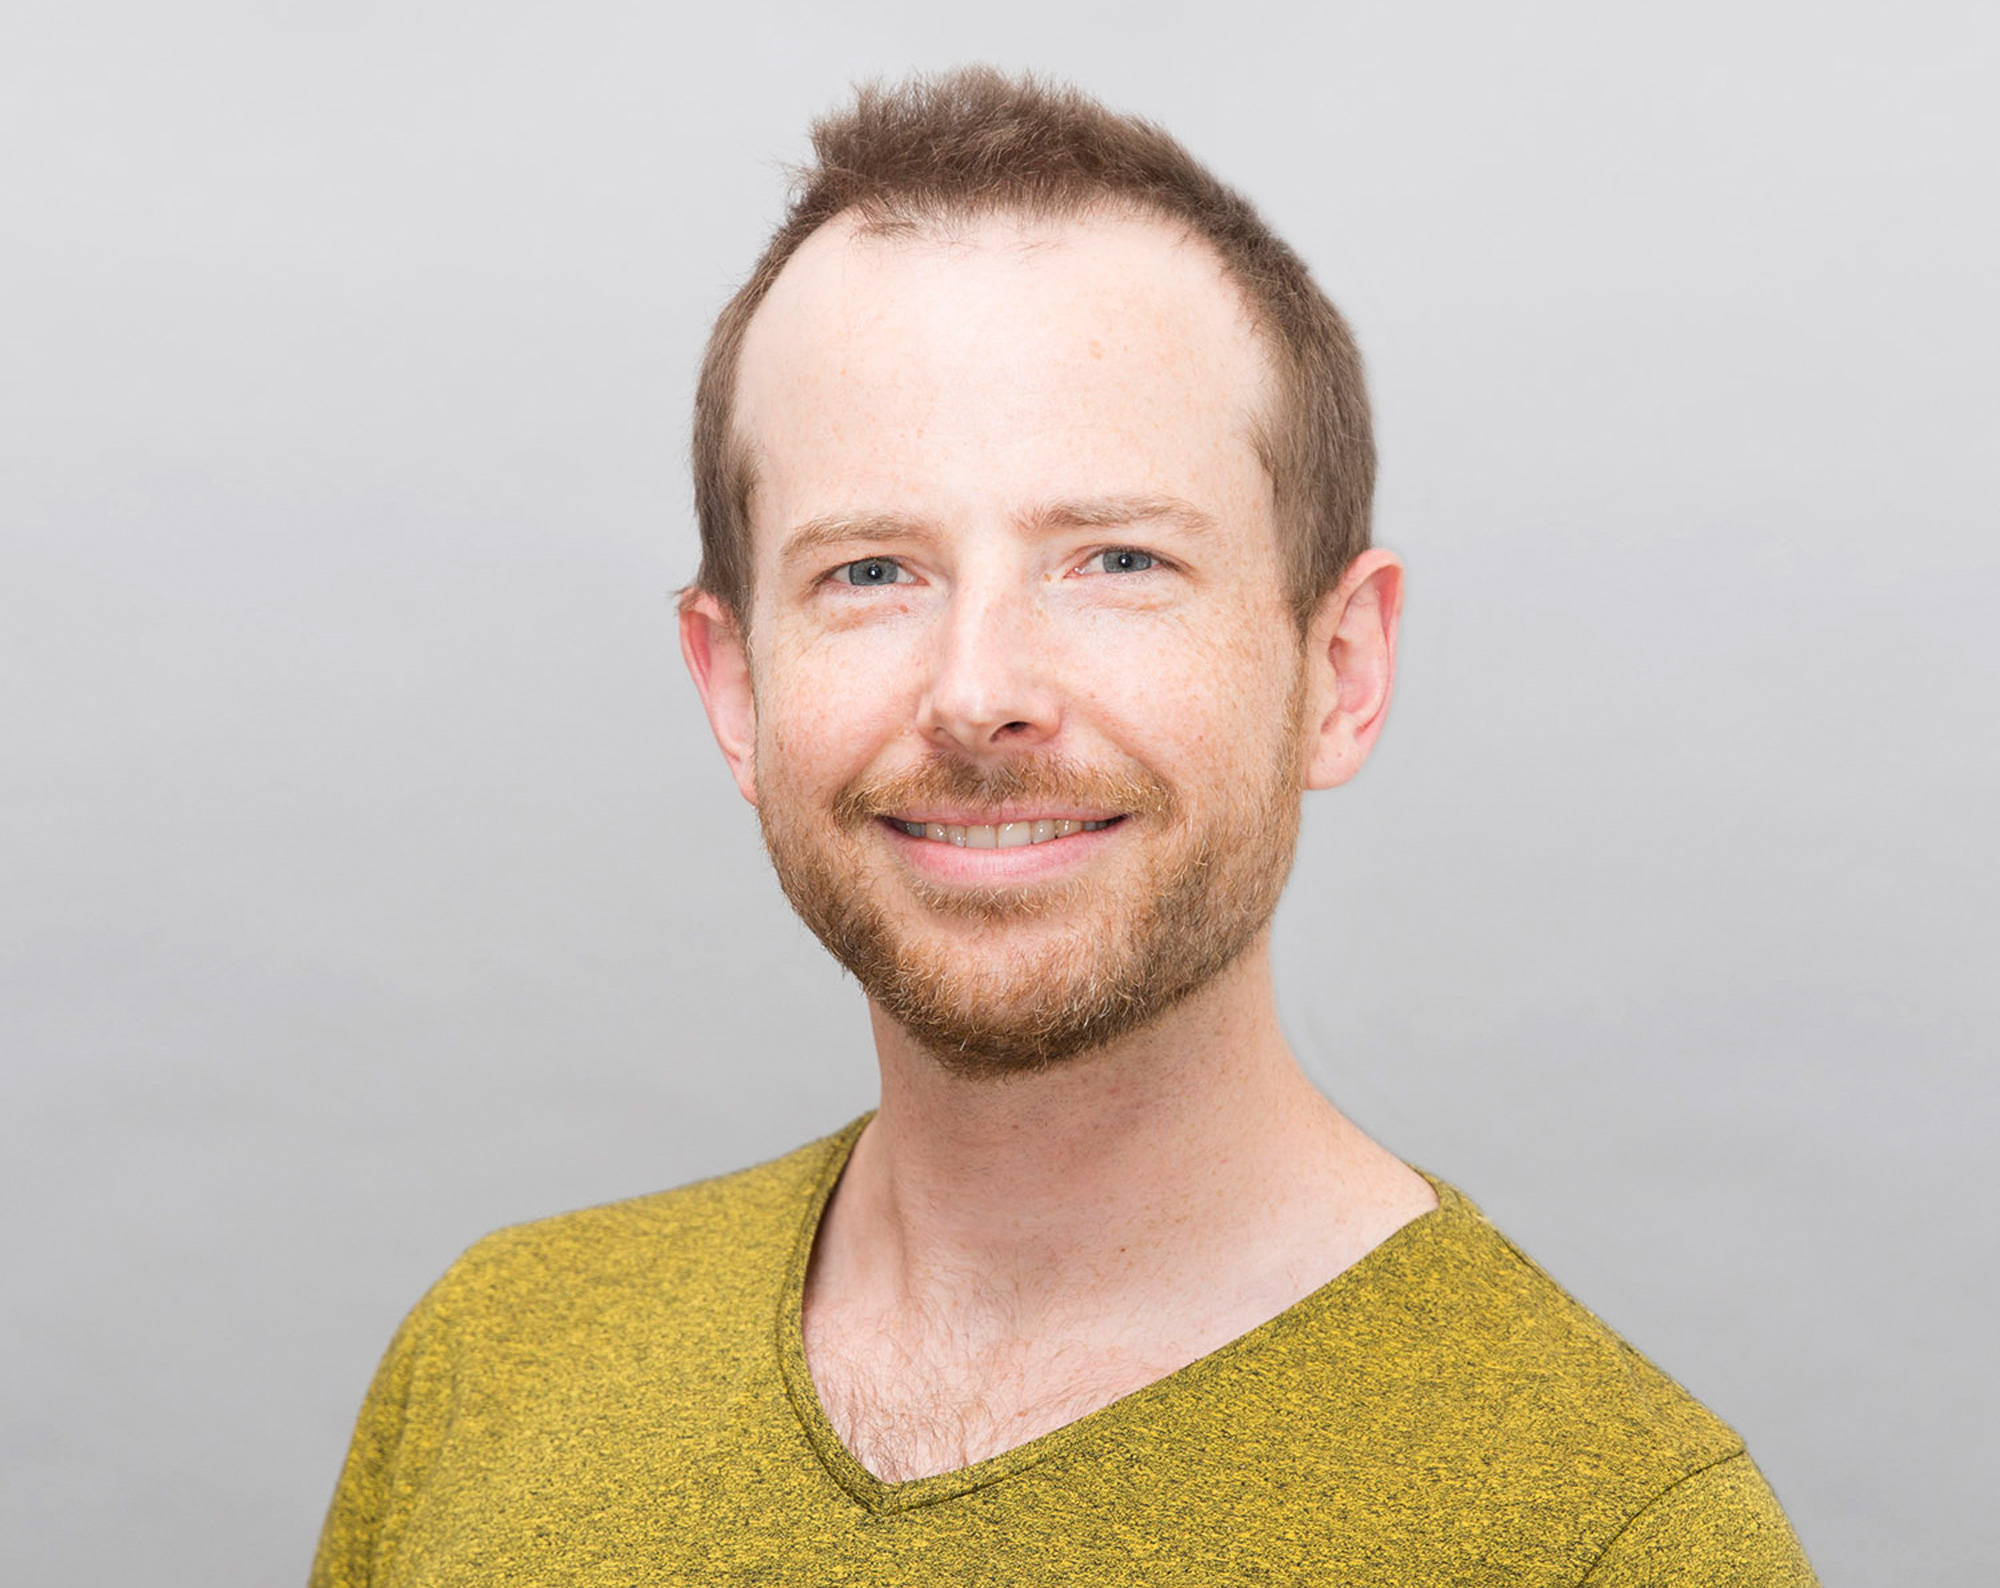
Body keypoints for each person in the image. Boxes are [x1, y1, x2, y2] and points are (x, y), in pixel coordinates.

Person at [312, 68, 1816, 1584]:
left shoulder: (1619, 1538)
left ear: (1339, 672)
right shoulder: (490, 1364)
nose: (979, 694)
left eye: (1116, 560)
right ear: (736, 689)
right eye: (872, 574)